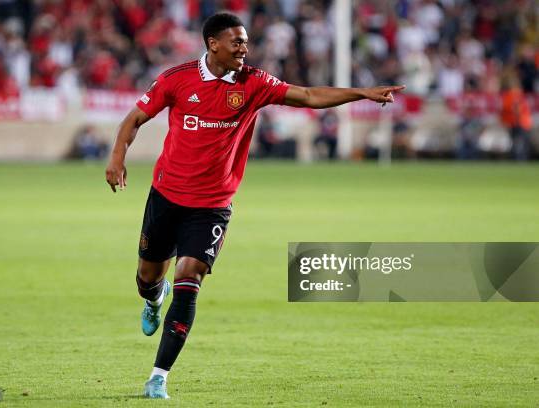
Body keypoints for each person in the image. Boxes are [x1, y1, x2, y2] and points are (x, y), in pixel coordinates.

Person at [105, 13, 404, 399]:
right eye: (237, 42)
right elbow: (134, 119)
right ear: (213, 44)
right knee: (147, 278)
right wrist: (117, 158)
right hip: (166, 196)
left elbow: (309, 96)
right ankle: (152, 299)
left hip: (212, 206)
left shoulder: (254, 83)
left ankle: (159, 375)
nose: (244, 49)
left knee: (190, 279)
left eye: (245, 42)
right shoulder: (176, 79)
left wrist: (361, 92)